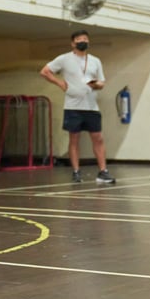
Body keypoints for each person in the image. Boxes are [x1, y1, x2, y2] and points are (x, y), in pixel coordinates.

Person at [40, 29, 116, 184]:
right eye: (80, 39)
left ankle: (103, 172)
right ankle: (76, 171)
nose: (83, 41)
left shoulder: (95, 61)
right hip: (73, 106)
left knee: (98, 138)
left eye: (85, 39)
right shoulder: (64, 59)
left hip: (92, 106)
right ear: (73, 43)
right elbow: (45, 71)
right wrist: (60, 83)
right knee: (74, 139)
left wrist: (96, 84)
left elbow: (102, 82)